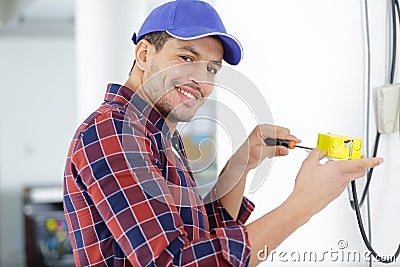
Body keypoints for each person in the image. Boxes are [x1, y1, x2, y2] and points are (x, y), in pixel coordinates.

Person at [63, 0, 384, 266]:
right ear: (144, 55)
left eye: (211, 69)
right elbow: (177, 261)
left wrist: (242, 162)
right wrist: (303, 204)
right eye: (186, 57)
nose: (200, 80)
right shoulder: (114, 134)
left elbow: (201, 238)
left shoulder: (156, 134)